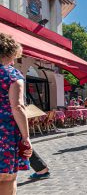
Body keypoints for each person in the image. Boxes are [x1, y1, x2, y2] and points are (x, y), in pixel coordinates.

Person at [0, 33, 32, 194]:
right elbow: (17, 107)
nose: (14, 61)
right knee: (6, 178)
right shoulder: (11, 74)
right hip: (4, 133)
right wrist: (26, 138)